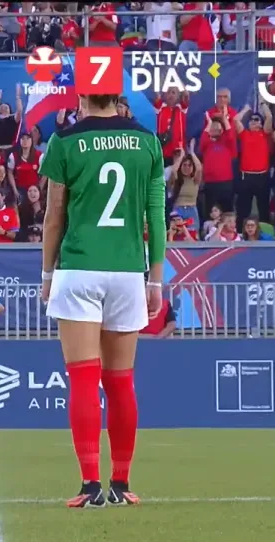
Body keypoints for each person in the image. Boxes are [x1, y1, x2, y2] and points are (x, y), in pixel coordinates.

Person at [39, 91, 166, 508]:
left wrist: (46, 273)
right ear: (117, 96)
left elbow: (54, 213)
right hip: (128, 269)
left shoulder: (65, 141)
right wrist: (156, 278)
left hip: (79, 267)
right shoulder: (147, 141)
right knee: (120, 381)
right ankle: (123, 483)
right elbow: (155, 215)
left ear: (82, 96)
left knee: (82, 379)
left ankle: (90, 485)